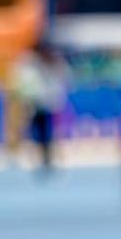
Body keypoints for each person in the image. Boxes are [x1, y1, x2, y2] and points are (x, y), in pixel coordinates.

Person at [14, 41, 69, 174]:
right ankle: (32, 156)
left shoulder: (52, 63)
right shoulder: (28, 64)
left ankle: (47, 157)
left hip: (46, 103)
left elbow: (63, 77)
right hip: (33, 102)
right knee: (31, 130)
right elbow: (24, 82)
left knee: (46, 132)